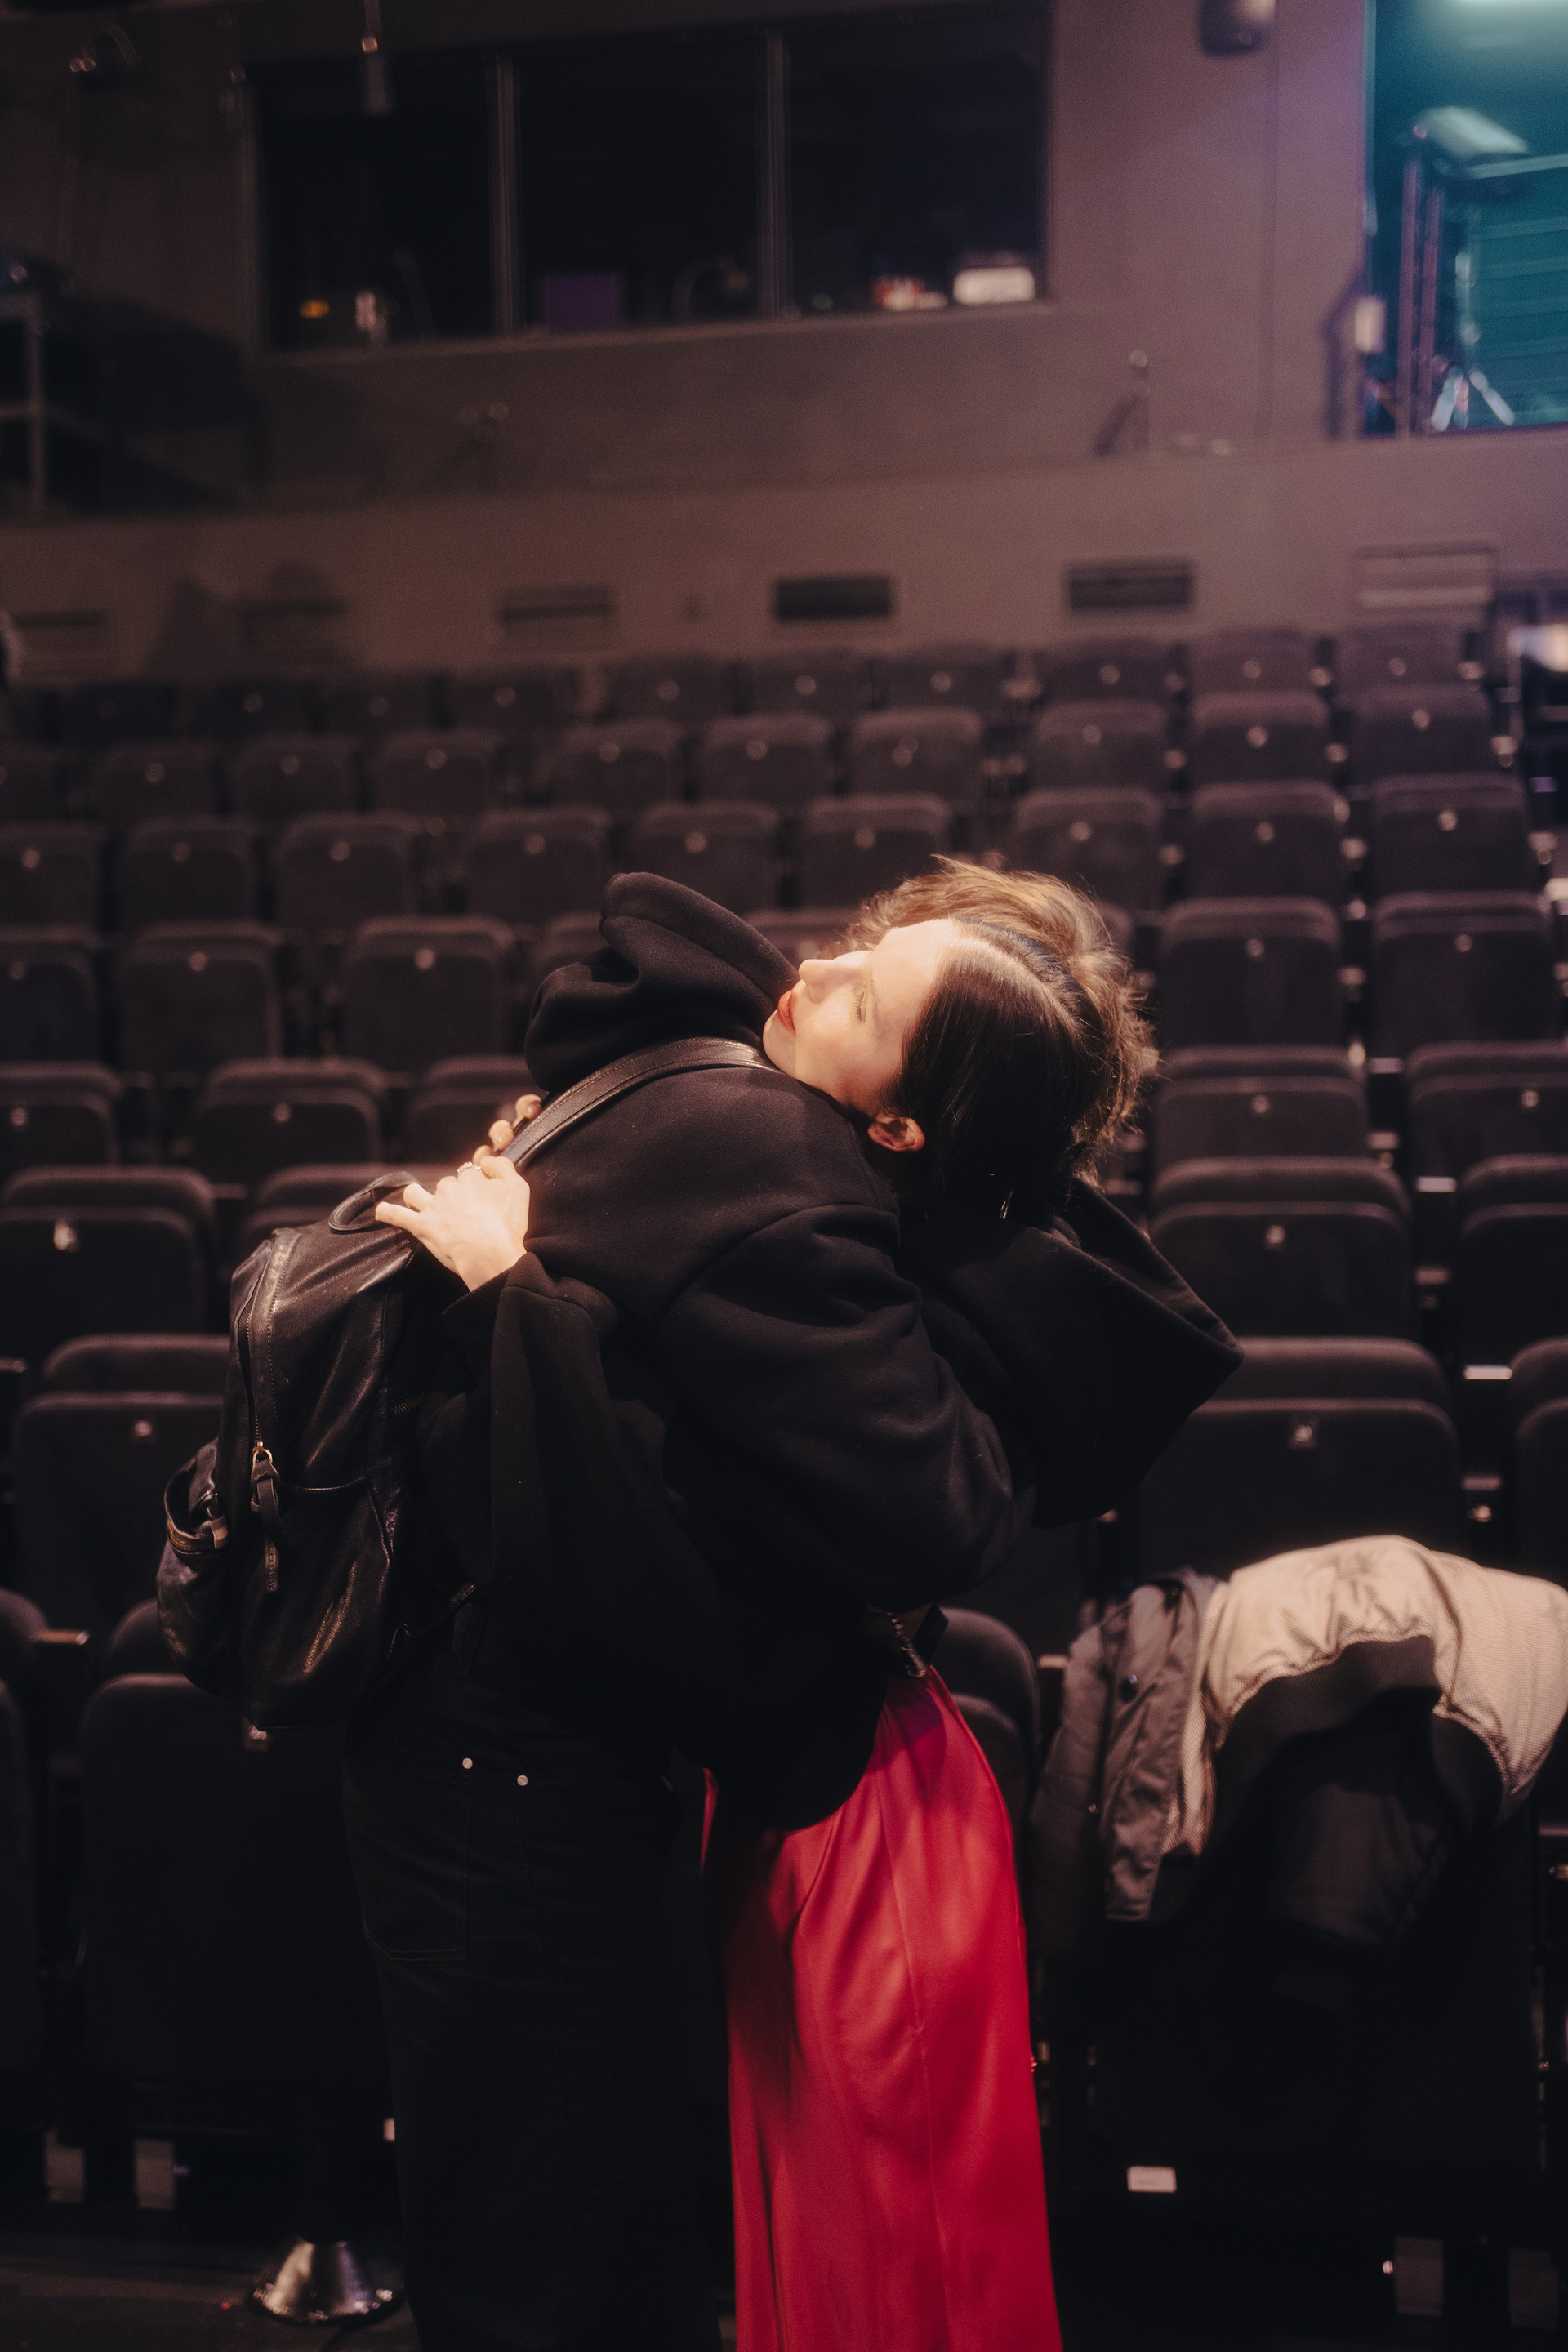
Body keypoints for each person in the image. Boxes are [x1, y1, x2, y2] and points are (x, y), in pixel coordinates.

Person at [353, 865, 1237, 2352]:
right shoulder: (772, 1136)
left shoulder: (758, 1145)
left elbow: (932, 1508)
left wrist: (524, 1288)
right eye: (853, 950)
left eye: (864, 998)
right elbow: (907, 1503)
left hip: (495, 1723)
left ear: (898, 1127)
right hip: (491, 1724)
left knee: (555, 2206)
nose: (812, 972)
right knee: (549, 2210)